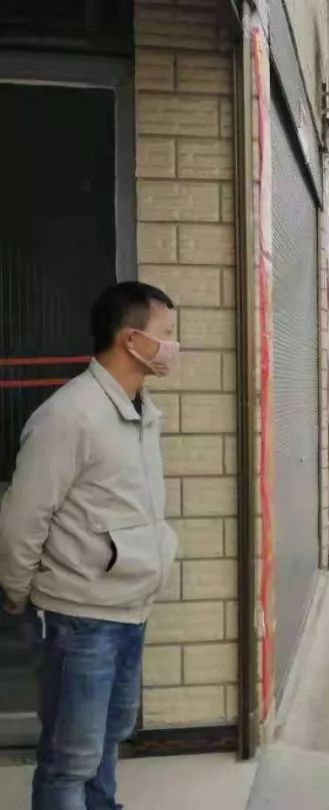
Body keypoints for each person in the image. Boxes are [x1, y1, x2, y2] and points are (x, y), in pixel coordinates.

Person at [0, 281, 180, 810]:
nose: (173, 346)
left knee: (107, 741)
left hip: (130, 611)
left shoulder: (141, 411)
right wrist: (19, 593)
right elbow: (23, 518)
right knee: (70, 760)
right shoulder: (70, 415)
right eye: (166, 333)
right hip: (81, 619)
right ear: (131, 340)